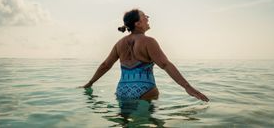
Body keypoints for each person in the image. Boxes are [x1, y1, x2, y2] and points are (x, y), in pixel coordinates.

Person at [80, 9, 209, 102]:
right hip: (145, 90)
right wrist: (188, 87)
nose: (147, 18)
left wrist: (90, 83)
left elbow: (105, 65)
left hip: (122, 91)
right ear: (137, 23)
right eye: (144, 16)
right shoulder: (148, 42)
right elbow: (165, 64)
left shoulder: (119, 43)